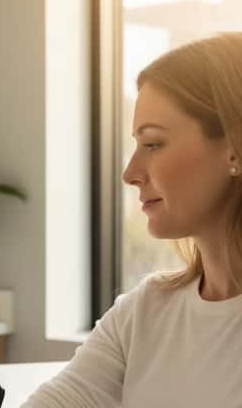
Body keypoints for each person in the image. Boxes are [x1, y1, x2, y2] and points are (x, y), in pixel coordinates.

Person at [21, 33, 242, 406]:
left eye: (153, 144)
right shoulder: (142, 313)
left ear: (234, 150)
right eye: (136, 145)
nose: (130, 173)